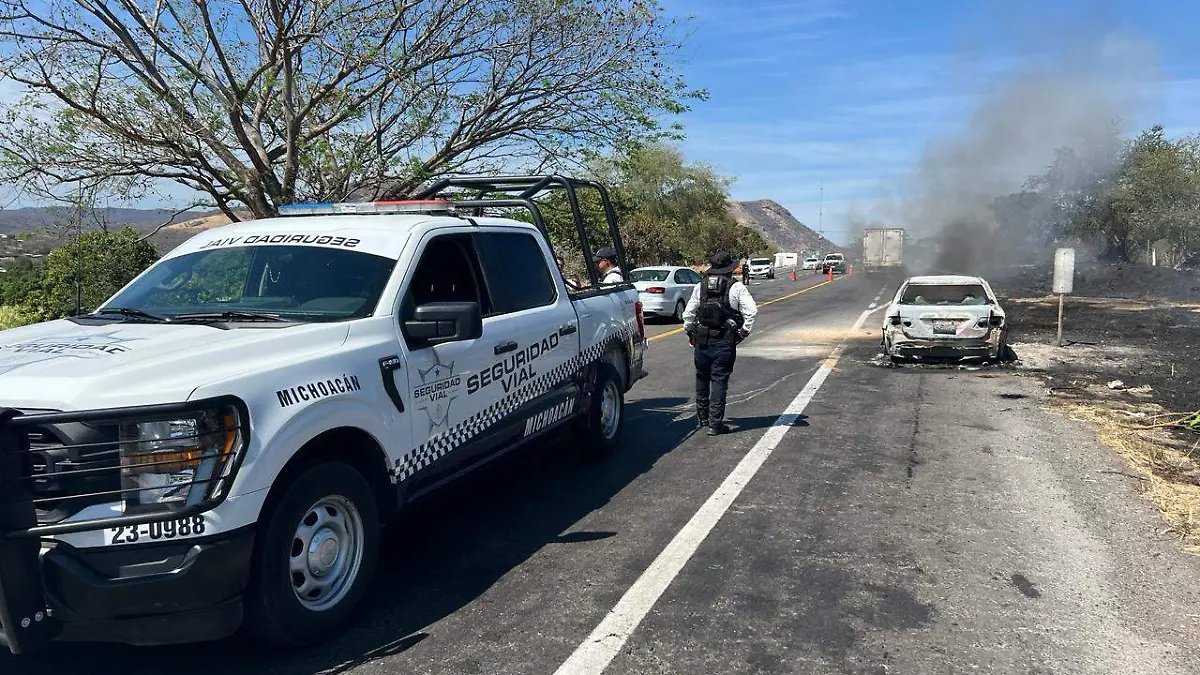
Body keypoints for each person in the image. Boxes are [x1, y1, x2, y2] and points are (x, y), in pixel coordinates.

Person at [682, 251, 758, 435]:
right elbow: (751, 311)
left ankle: (703, 418)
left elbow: (688, 314)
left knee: (702, 377)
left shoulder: (700, 286)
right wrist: (743, 333)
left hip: (702, 340)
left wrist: (690, 333)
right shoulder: (736, 287)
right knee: (719, 380)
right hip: (724, 341)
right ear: (729, 271)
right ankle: (715, 424)